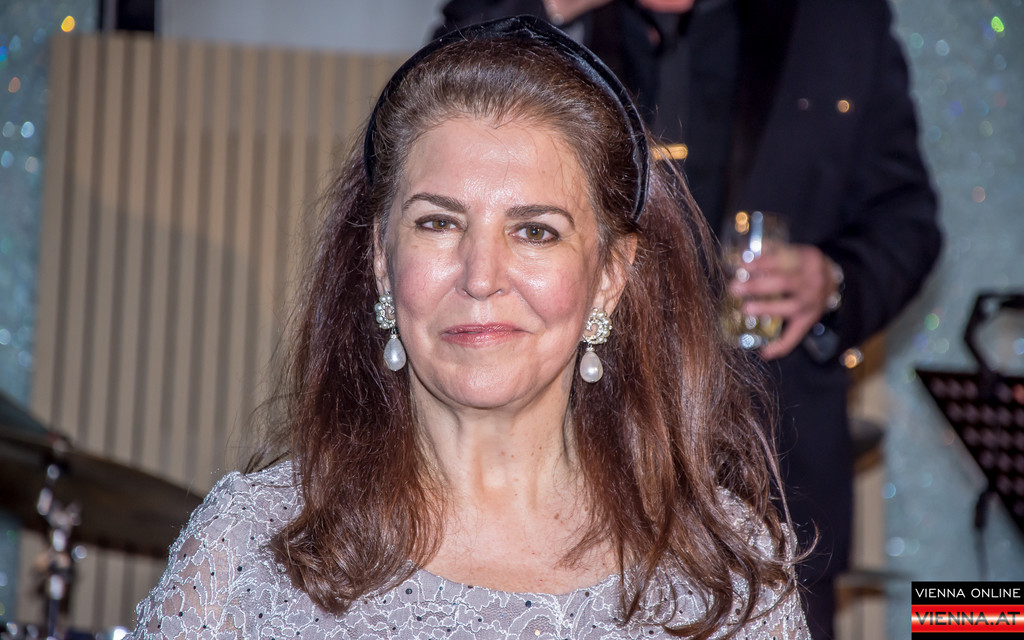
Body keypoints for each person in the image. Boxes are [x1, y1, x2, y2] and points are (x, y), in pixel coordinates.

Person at [130, 17, 810, 640]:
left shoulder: (728, 575)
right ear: (380, 258)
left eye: (535, 231)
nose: (481, 277)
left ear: (610, 274)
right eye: (438, 223)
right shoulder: (244, 552)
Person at [433, 2, 942, 638]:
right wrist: (550, 7)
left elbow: (907, 220)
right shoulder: (555, 12)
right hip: (570, 445)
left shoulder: (837, 21)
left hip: (776, 454)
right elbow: (430, 114)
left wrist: (833, 279)